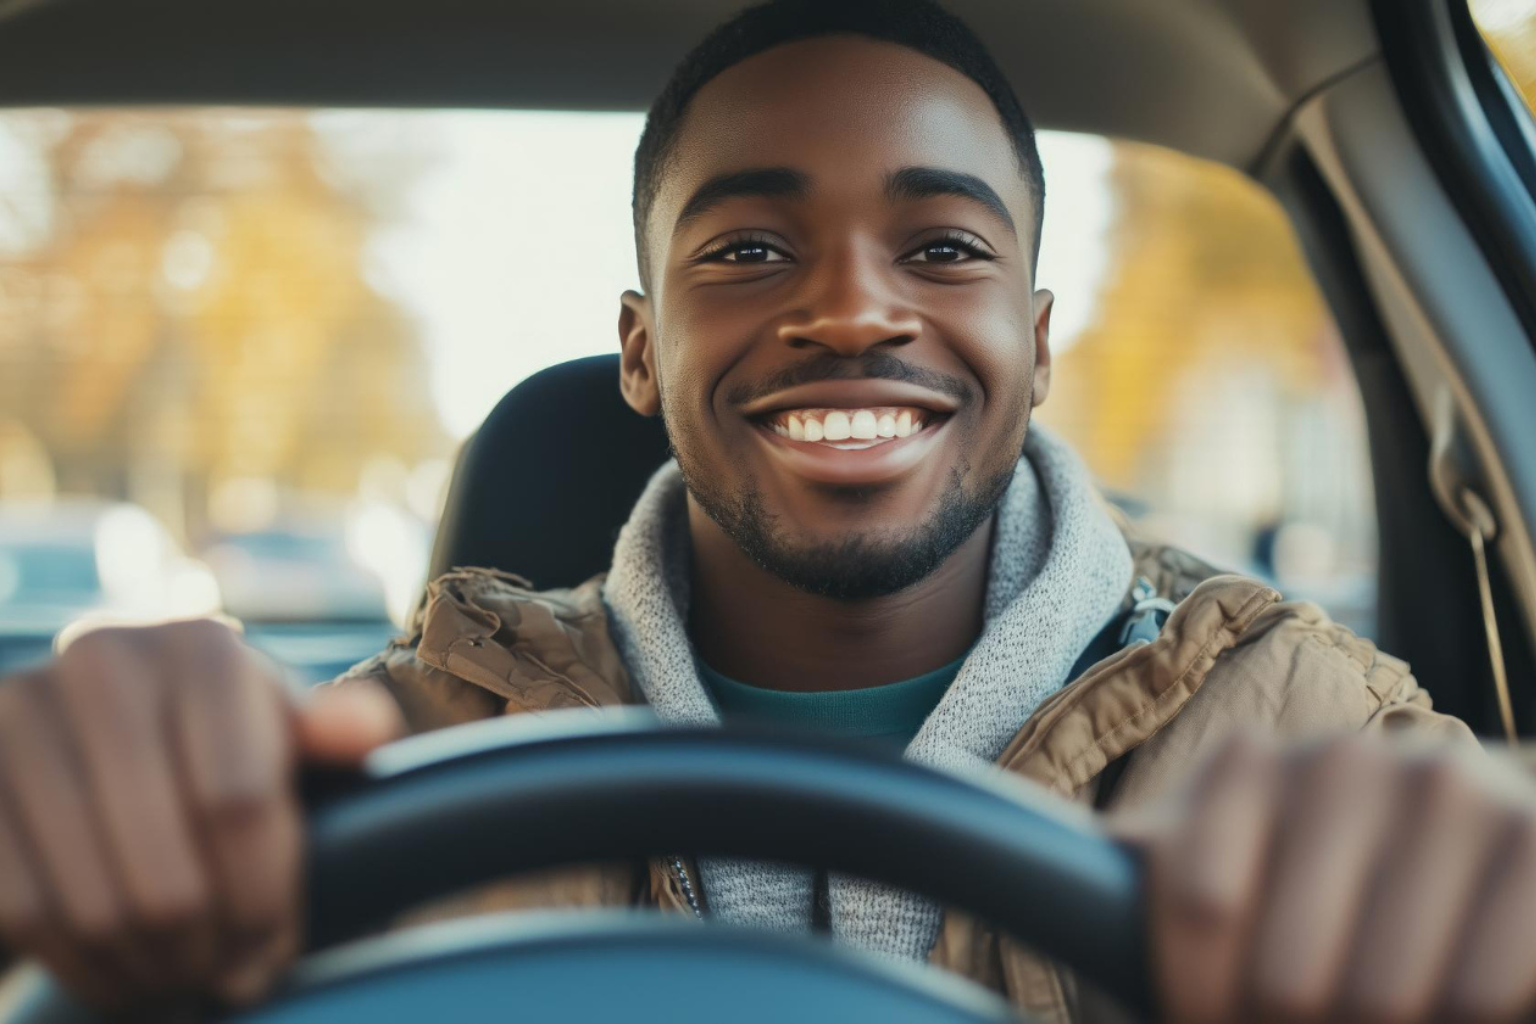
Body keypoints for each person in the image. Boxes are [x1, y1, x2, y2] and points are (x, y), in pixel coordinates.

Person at [2, 1, 1535, 1021]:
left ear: (1042, 341)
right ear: (640, 346)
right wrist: (94, 828)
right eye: (745, 251)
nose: (853, 309)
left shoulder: (1305, 728)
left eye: (943, 247)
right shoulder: (403, 750)